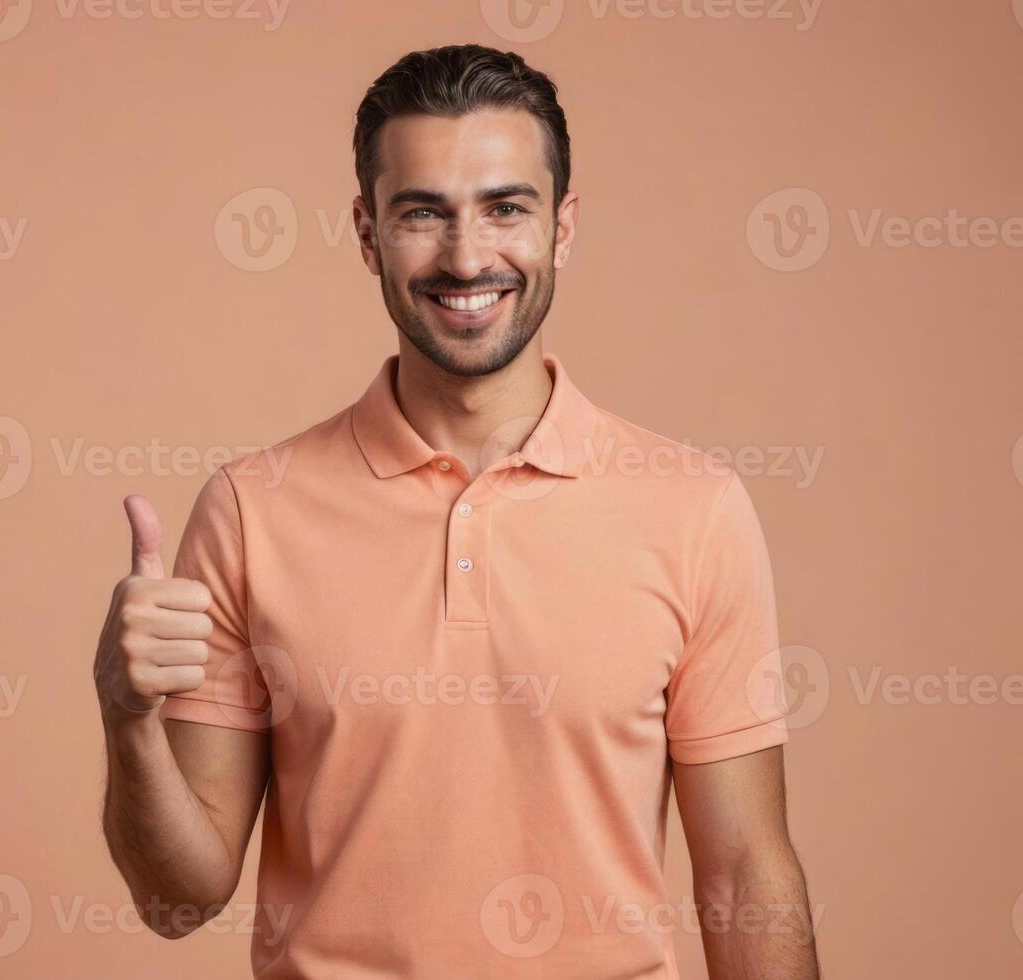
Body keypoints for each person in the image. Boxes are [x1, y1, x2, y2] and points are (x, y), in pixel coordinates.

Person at [94, 43, 821, 979]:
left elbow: (745, 869)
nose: (467, 255)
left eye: (504, 208)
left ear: (562, 226)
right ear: (366, 233)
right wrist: (126, 720)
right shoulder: (248, 512)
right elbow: (174, 900)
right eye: (421, 214)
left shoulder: (694, 508)